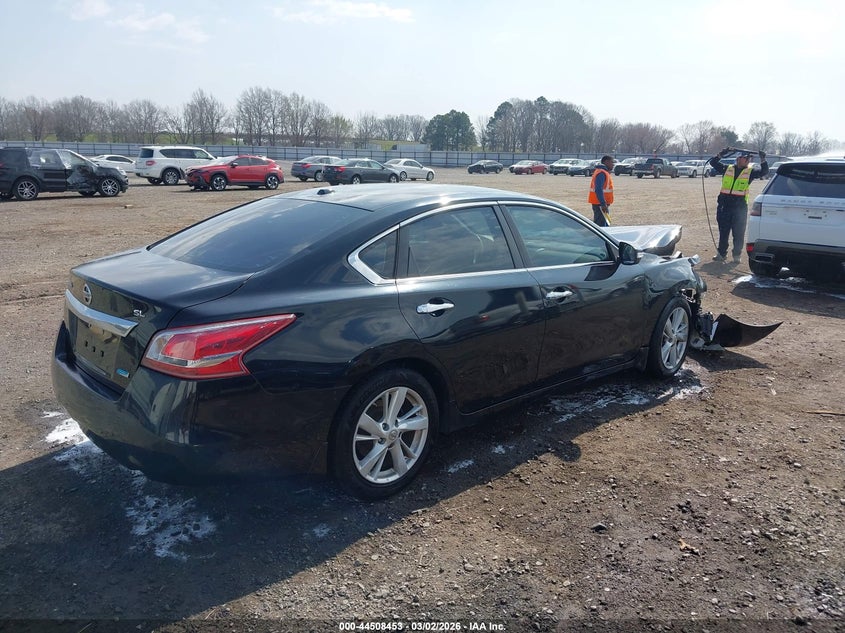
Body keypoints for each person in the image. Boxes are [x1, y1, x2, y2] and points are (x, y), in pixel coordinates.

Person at [709, 148, 769, 264]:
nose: (747, 160)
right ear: (738, 159)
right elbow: (713, 163)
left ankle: (736, 255)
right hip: (724, 206)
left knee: (738, 233)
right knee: (723, 231)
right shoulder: (727, 169)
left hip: (739, 208)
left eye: (748, 159)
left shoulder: (750, 172)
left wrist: (763, 159)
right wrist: (721, 154)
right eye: (745, 158)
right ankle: (721, 254)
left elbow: (764, 172)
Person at [588, 155, 615, 226]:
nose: (613, 164)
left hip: (601, 204)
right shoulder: (601, 173)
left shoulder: (603, 172)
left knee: (605, 224)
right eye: (612, 162)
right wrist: (603, 203)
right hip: (600, 204)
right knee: (601, 226)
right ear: (606, 162)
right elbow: (598, 189)